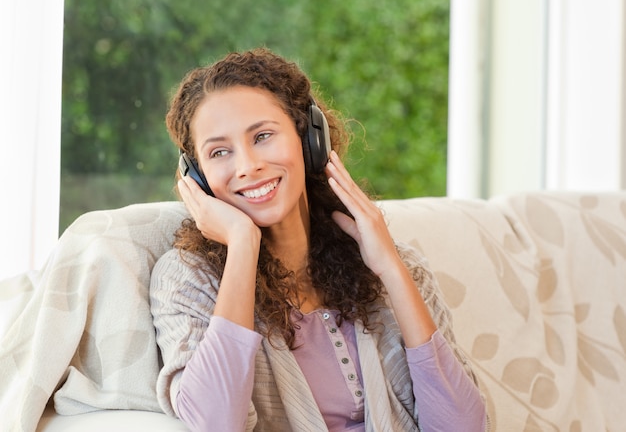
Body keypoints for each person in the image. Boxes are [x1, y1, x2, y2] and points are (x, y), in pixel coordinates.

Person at [149, 47, 487, 432]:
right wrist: (243, 243)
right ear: (197, 177)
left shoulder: (390, 264)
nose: (247, 166)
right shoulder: (188, 279)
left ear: (310, 139)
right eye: (220, 152)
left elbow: (464, 427)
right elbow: (214, 423)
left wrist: (391, 269)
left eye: (262, 136)